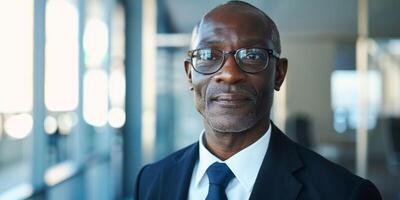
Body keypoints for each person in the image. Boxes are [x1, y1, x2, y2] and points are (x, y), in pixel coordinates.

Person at [135, 1, 382, 199]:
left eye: (252, 55)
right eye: (209, 55)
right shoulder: (151, 180)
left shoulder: (344, 193)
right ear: (190, 74)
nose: (229, 74)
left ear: (279, 74)